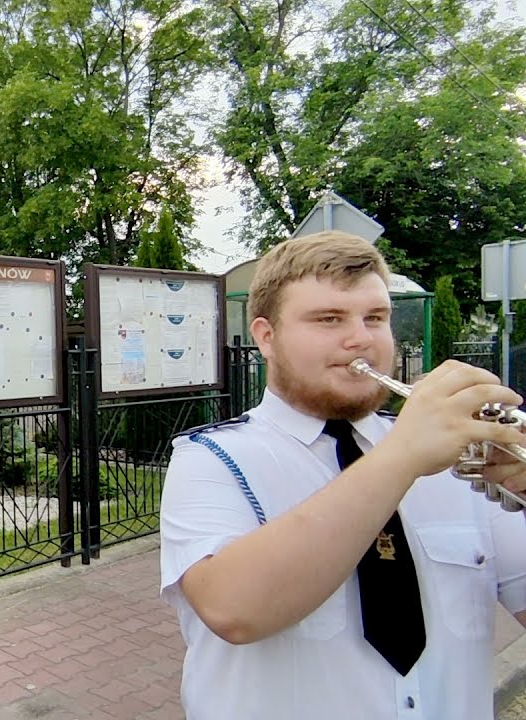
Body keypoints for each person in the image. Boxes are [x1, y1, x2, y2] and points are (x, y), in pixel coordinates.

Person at [159, 230, 526, 720]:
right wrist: (402, 457)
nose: (361, 338)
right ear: (266, 337)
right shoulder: (211, 457)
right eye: (329, 319)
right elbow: (233, 609)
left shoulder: (459, 456)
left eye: (375, 318)